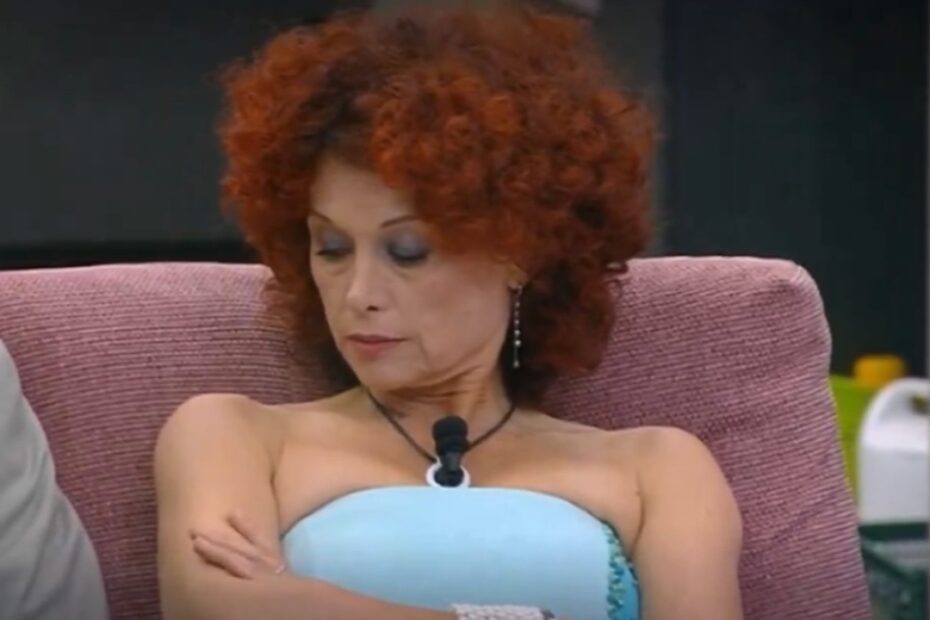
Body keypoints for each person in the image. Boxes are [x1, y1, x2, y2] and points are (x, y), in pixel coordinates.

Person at [154, 2, 743, 619]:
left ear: (518, 250)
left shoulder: (659, 469)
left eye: (407, 251)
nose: (357, 293)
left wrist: (299, 600)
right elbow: (214, 607)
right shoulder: (236, 435)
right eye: (331, 248)